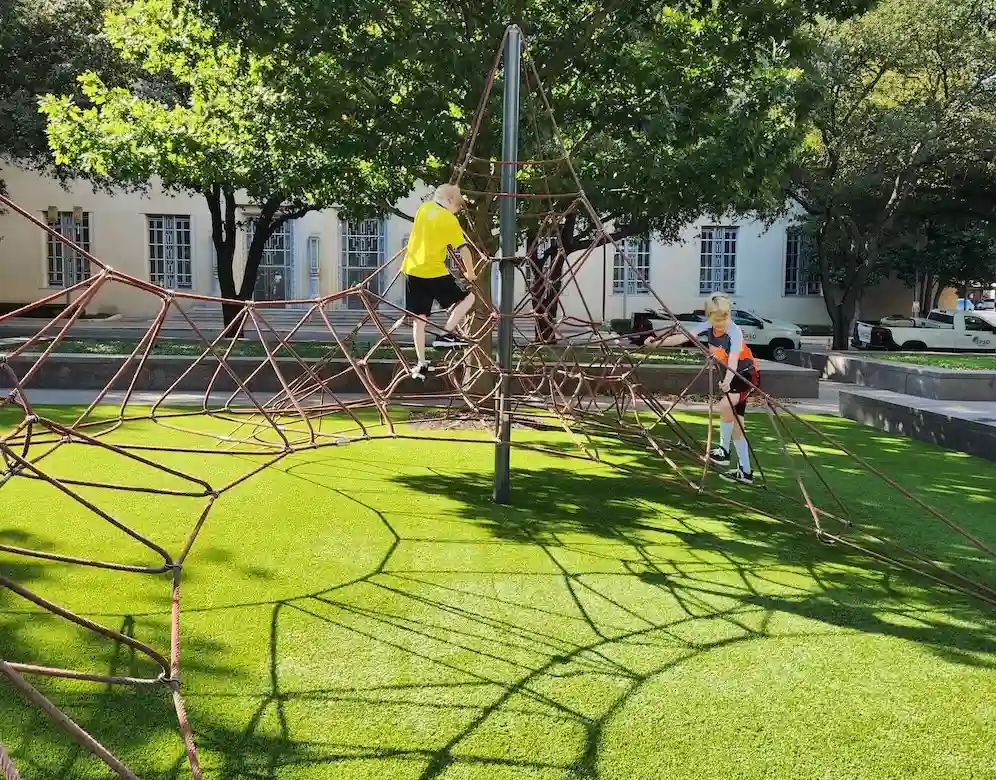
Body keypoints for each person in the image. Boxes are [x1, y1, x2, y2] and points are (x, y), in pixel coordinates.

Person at [644, 294, 760, 484]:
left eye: (725, 318)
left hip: (745, 375)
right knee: (738, 427)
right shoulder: (707, 327)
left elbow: (733, 360)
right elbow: (682, 337)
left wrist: (729, 381)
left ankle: (723, 451)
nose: (721, 323)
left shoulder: (734, 331)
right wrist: (655, 344)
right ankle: (745, 472)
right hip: (731, 376)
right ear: (709, 317)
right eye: (716, 319)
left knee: (725, 404)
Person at [402, 183, 479, 380]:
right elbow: (463, 249)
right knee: (468, 299)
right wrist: (470, 273)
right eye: (459, 205)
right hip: (434, 272)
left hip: (412, 270)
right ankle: (446, 334)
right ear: (451, 201)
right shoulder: (449, 220)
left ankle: (421, 363)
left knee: (419, 319)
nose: (458, 209)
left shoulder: (423, 209)